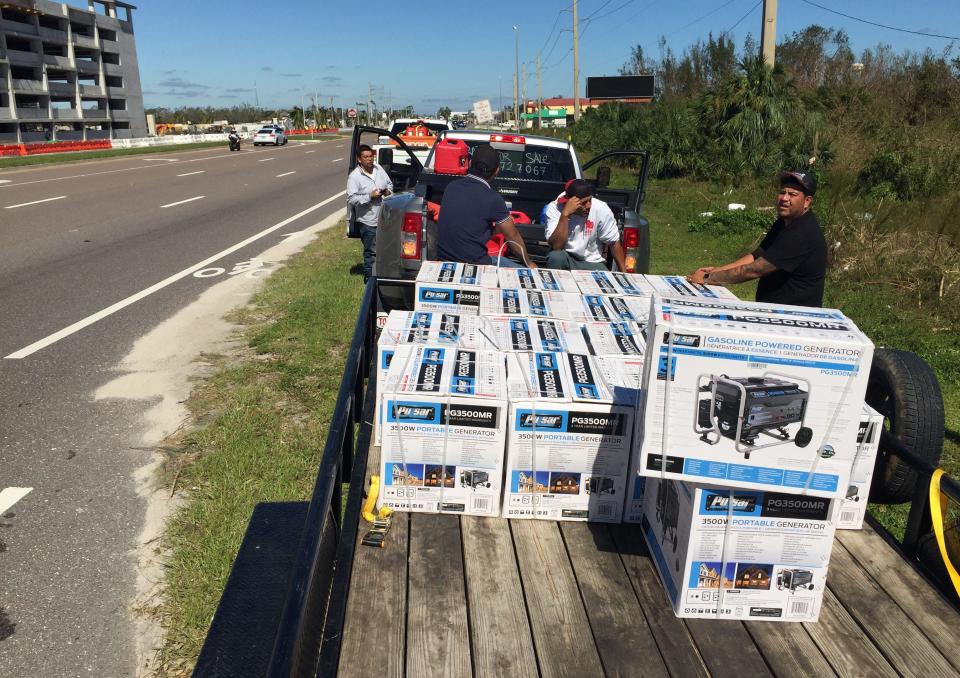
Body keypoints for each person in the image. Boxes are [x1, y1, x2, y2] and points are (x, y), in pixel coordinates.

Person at [687, 170, 827, 307]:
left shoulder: (802, 233)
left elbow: (755, 269)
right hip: (774, 311)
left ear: (807, 201)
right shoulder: (783, 223)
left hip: (796, 317)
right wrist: (717, 270)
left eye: (792, 194)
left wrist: (707, 279)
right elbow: (757, 255)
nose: (784, 198)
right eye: (782, 192)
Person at [436, 144, 534, 268]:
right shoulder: (493, 198)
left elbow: (468, 228)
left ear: (470, 163)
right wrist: (529, 263)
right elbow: (512, 236)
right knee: (523, 271)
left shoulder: (451, 187)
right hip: (474, 264)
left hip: (444, 260)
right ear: (497, 170)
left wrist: (495, 230)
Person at [543, 179, 626, 271]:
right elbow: (556, 246)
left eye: (590, 200)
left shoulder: (601, 209)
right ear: (569, 202)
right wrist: (565, 215)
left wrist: (624, 274)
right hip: (566, 257)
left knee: (605, 278)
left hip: (592, 262)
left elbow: (613, 243)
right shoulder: (555, 208)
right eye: (583, 202)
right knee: (555, 257)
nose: (589, 206)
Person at [347, 144, 393, 281]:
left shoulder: (379, 169)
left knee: (385, 250)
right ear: (359, 160)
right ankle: (370, 281)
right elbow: (352, 199)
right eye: (365, 157)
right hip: (368, 220)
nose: (369, 159)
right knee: (371, 252)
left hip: (385, 218)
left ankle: (384, 277)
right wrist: (370, 196)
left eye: (371, 156)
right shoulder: (354, 177)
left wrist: (386, 192)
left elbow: (390, 185)